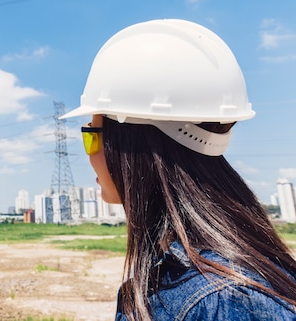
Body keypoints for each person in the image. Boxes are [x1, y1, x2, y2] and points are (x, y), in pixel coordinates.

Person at [61, 19, 296, 320]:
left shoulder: (221, 302)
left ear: (138, 145)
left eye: (91, 136)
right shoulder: (222, 277)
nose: (90, 155)